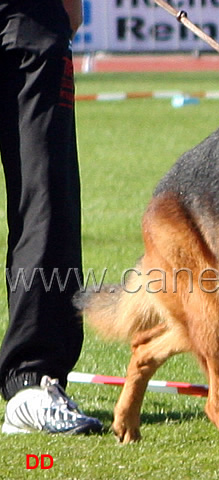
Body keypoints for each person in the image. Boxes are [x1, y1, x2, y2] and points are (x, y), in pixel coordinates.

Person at [0, 0, 102, 434]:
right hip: (34, 21)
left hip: (32, 21)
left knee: (46, 199)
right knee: (46, 197)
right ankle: (31, 378)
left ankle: (32, 382)